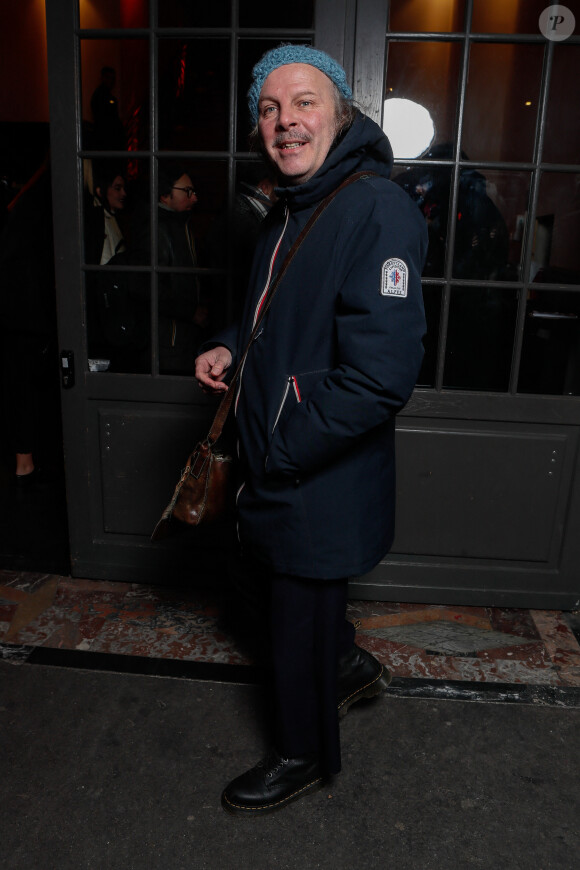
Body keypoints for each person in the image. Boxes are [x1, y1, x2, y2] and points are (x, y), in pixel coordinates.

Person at [195, 45, 427, 816]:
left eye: (303, 104)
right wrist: (234, 339)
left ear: (340, 113)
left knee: (292, 620)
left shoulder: (374, 208)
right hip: (283, 461)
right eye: (269, 108)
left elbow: (381, 376)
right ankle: (346, 663)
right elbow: (278, 309)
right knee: (272, 593)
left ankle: (301, 754)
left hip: (312, 469)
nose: (285, 121)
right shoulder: (297, 204)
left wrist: (282, 450)